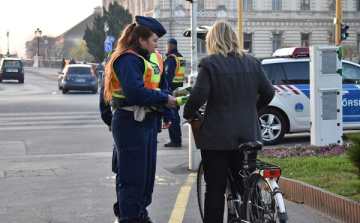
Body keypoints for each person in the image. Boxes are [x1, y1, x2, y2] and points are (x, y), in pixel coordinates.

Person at [183, 20, 275, 223]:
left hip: (217, 138)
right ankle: (258, 217)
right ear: (234, 38)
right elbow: (269, 93)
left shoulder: (209, 64)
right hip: (249, 134)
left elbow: (198, 96)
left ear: (212, 40)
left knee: (215, 188)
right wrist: (252, 109)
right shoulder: (253, 62)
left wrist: (188, 113)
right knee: (248, 185)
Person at [103, 15, 177, 223]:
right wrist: (165, 99)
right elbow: (134, 93)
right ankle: (129, 218)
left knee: (145, 177)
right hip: (130, 121)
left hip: (146, 121)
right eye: (154, 40)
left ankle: (139, 214)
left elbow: (160, 84)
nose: (156, 45)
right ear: (141, 40)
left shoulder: (146, 58)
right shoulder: (127, 59)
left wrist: (165, 109)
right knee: (132, 179)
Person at [163, 38, 186, 147]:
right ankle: (177, 138)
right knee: (175, 114)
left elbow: (168, 76)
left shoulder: (171, 59)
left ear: (168, 46)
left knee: (173, 115)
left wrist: (166, 91)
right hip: (179, 89)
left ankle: (175, 139)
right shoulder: (180, 57)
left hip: (172, 89)